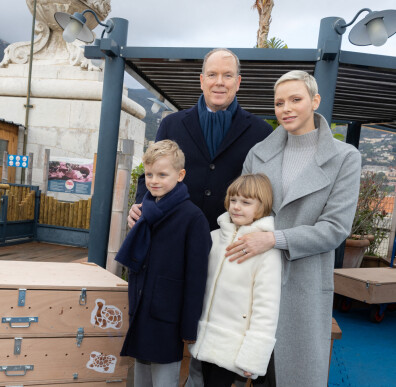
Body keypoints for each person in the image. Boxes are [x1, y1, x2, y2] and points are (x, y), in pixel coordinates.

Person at [225, 70, 361, 386]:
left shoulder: (345, 158)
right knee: (243, 372)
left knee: (290, 375)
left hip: (303, 285)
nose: (286, 108)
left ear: (315, 101)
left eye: (295, 100)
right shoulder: (258, 154)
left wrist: (275, 238)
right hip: (253, 283)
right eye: (278, 103)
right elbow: (239, 213)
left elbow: (335, 228)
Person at [129, 48, 273, 232]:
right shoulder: (171, 125)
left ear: (238, 83)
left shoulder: (261, 132)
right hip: (172, 234)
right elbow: (150, 173)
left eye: (227, 75)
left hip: (231, 244)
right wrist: (140, 203)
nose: (219, 82)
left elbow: (266, 191)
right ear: (202, 81)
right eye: (212, 74)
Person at [115, 140, 212, 387]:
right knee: (141, 378)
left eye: (162, 174)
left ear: (180, 176)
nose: (154, 180)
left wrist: (189, 328)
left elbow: (196, 277)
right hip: (141, 308)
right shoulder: (145, 210)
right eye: (149, 174)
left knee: (164, 379)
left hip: (169, 315)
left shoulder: (193, 218)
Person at [189, 173, 281, 387]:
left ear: (262, 207)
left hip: (233, 347)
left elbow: (266, 308)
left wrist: (254, 356)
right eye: (233, 200)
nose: (237, 207)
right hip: (204, 340)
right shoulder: (213, 238)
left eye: (246, 202)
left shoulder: (267, 254)